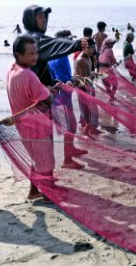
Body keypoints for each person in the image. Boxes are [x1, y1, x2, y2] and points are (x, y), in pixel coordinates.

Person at [6, 35, 55, 200]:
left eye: (36, 53)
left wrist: (43, 89)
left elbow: (30, 94)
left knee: (37, 158)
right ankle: (49, 195)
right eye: (31, 54)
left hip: (23, 125)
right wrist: (50, 92)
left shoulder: (12, 69)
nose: (35, 57)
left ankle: (34, 191)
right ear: (18, 55)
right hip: (36, 125)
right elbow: (48, 100)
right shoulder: (28, 75)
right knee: (45, 160)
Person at [48, 30, 88, 169]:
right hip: (60, 100)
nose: (72, 43)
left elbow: (65, 78)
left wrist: (73, 80)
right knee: (68, 129)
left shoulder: (60, 55)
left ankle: (72, 150)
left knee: (72, 126)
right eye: (69, 40)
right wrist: (72, 84)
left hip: (64, 99)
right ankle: (67, 160)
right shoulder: (59, 59)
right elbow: (60, 83)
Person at [22, 5, 88, 88]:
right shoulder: (33, 39)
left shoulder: (29, 37)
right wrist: (76, 44)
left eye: (45, 17)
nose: (44, 20)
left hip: (38, 90)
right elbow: (53, 43)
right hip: (34, 95)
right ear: (30, 20)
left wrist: (53, 83)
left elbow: (43, 72)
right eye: (40, 17)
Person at [74, 39, 101, 137]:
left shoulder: (88, 58)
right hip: (83, 89)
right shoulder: (81, 60)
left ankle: (92, 129)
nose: (93, 50)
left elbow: (88, 75)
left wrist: (94, 74)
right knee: (88, 111)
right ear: (85, 48)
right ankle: (86, 133)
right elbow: (82, 80)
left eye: (94, 48)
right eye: (91, 48)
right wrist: (92, 76)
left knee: (93, 110)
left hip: (89, 87)